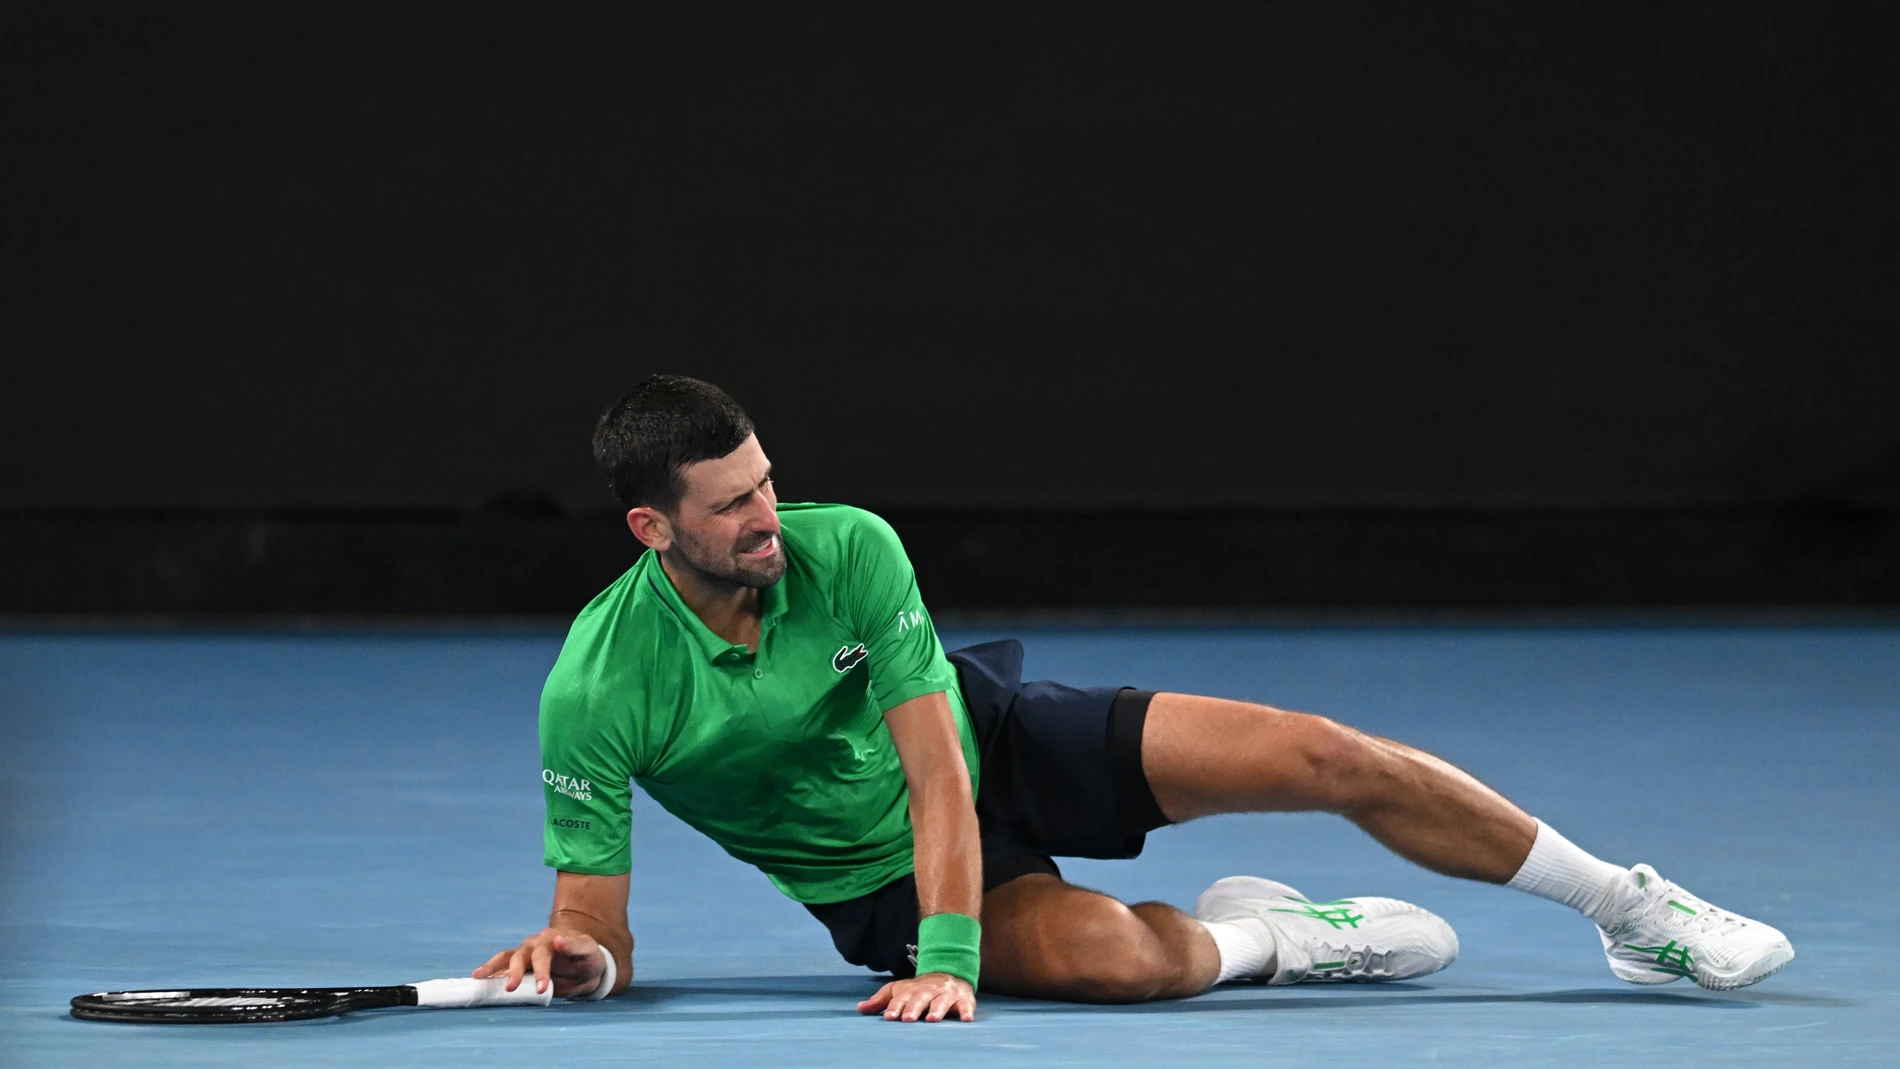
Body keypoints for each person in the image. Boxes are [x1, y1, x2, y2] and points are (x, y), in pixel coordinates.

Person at [473, 375, 1792, 1023]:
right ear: (653, 527)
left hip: (987, 745)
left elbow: (939, 769)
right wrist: (580, 961)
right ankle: (1274, 937)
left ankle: (1629, 912)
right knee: (1122, 962)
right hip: (872, 879)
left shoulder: (849, 546)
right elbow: (595, 921)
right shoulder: (596, 686)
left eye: (768, 480)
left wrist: (950, 964)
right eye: (733, 506)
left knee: (1323, 755)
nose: (771, 516)